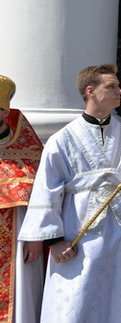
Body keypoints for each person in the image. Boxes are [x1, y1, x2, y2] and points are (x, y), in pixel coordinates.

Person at [18, 64, 121, 322]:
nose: (120, 90)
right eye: (111, 86)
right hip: (78, 236)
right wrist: (55, 241)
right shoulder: (62, 140)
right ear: (91, 91)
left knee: (120, 300)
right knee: (76, 301)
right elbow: (46, 191)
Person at [0, 74, 44, 322]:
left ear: (5, 112)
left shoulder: (29, 150)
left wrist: (36, 238)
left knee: (21, 302)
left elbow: (43, 198)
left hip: (19, 237)